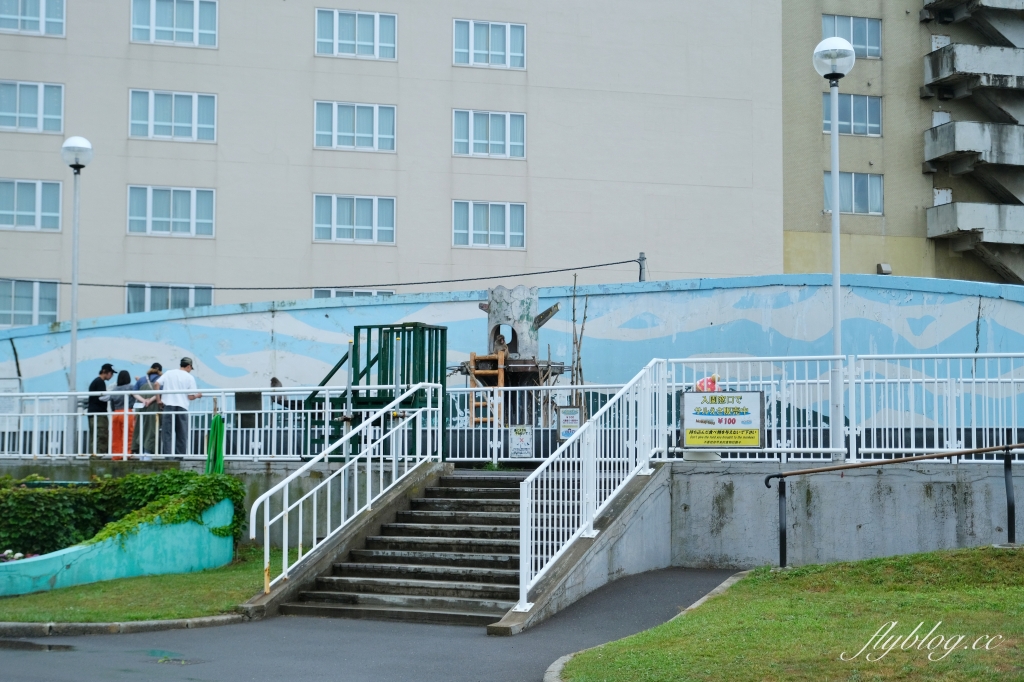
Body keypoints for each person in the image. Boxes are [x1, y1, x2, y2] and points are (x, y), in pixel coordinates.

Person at [156, 357, 202, 456]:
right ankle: (179, 457)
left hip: (168, 406)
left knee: (167, 433)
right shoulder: (189, 377)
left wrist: (158, 400)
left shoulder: (169, 373)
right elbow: (190, 397)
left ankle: (168, 457)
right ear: (189, 366)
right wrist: (197, 395)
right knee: (181, 433)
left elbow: (156, 384)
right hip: (182, 407)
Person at [131, 363, 162, 457]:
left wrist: (144, 400)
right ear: (160, 370)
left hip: (141, 408)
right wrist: (150, 400)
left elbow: (133, 392)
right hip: (154, 408)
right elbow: (161, 392)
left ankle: (139, 451)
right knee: (152, 429)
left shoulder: (142, 379)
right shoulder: (161, 379)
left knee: (140, 428)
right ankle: (147, 453)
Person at [87, 363, 115, 455]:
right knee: (100, 436)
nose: (111, 376)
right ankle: (98, 457)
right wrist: (112, 394)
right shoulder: (100, 382)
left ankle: (94, 455)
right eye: (111, 373)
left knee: (95, 436)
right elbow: (101, 397)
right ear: (105, 372)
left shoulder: (96, 381)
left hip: (93, 413)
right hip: (98, 414)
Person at [107, 370, 135, 459]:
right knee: (128, 434)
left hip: (116, 413)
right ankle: (127, 454)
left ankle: (116, 455)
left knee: (116, 435)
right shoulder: (131, 387)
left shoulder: (114, 389)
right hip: (127, 412)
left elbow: (112, 404)